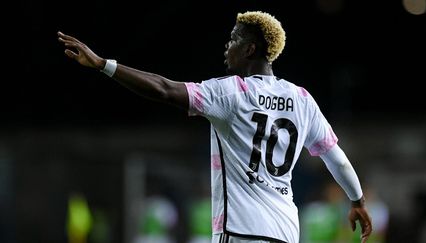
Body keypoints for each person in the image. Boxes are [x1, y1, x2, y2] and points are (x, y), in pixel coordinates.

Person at [58, 10, 372, 243]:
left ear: (250, 49)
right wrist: (356, 200)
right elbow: (336, 157)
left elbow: (164, 89)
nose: (227, 45)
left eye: (234, 38)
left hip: (241, 230)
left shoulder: (231, 92)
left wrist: (104, 65)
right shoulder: (302, 99)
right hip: (286, 232)